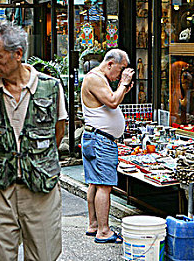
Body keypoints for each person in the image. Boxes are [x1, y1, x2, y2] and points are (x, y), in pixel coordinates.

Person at [0, 22, 67, 260]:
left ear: (18, 54)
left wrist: (35, 158)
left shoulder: (50, 87)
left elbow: (58, 132)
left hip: (41, 187)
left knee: (44, 255)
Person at [80, 49, 134, 244]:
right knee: (104, 185)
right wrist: (123, 84)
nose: (120, 75)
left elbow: (112, 100)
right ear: (110, 64)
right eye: (120, 70)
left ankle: (93, 225)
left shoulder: (98, 79)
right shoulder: (95, 78)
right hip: (100, 140)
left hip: (96, 138)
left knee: (95, 183)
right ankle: (103, 231)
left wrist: (123, 88)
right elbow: (112, 102)